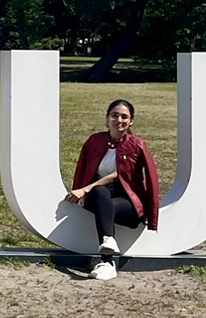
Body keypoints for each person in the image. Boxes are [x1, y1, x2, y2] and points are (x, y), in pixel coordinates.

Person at [65, 98, 163, 281]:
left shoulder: (136, 145)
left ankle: (107, 261)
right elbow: (82, 169)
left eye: (124, 117)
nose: (119, 120)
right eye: (114, 115)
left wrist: (84, 189)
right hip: (98, 197)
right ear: (107, 118)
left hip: (127, 201)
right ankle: (108, 250)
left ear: (131, 121)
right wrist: (78, 191)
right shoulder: (95, 141)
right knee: (101, 193)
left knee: (105, 204)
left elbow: (122, 175)